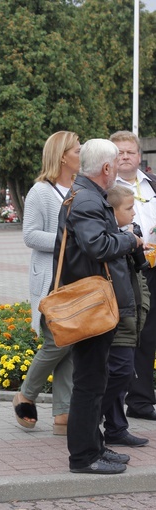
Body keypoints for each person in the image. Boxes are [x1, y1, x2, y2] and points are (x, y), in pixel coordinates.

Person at [54, 138, 138, 474]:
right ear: (106, 168)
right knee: (90, 382)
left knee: (96, 378)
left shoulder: (87, 194)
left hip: (95, 302)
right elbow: (96, 245)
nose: (118, 168)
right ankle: (84, 457)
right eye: (116, 163)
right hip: (89, 305)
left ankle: (96, 447)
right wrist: (128, 238)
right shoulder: (88, 198)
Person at [12, 131, 79, 434]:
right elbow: (30, 234)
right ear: (63, 156)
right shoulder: (40, 191)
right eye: (77, 150)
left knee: (71, 340)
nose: (82, 153)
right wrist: (67, 241)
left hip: (76, 279)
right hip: (50, 282)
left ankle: (62, 413)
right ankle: (26, 394)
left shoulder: (81, 187)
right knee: (55, 341)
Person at [109, 131, 156, 422]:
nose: (125, 157)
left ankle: (142, 398)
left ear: (139, 156)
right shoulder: (106, 187)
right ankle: (127, 402)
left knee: (150, 334)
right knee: (128, 335)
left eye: (130, 152)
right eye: (120, 153)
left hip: (154, 267)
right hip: (124, 270)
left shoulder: (151, 184)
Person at [100, 185, 149, 448]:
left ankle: (116, 428)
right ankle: (87, 419)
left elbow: (139, 270)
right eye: (128, 209)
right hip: (118, 314)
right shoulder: (111, 238)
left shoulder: (125, 235)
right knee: (120, 371)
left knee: (122, 373)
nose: (133, 214)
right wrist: (128, 240)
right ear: (112, 211)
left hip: (132, 312)